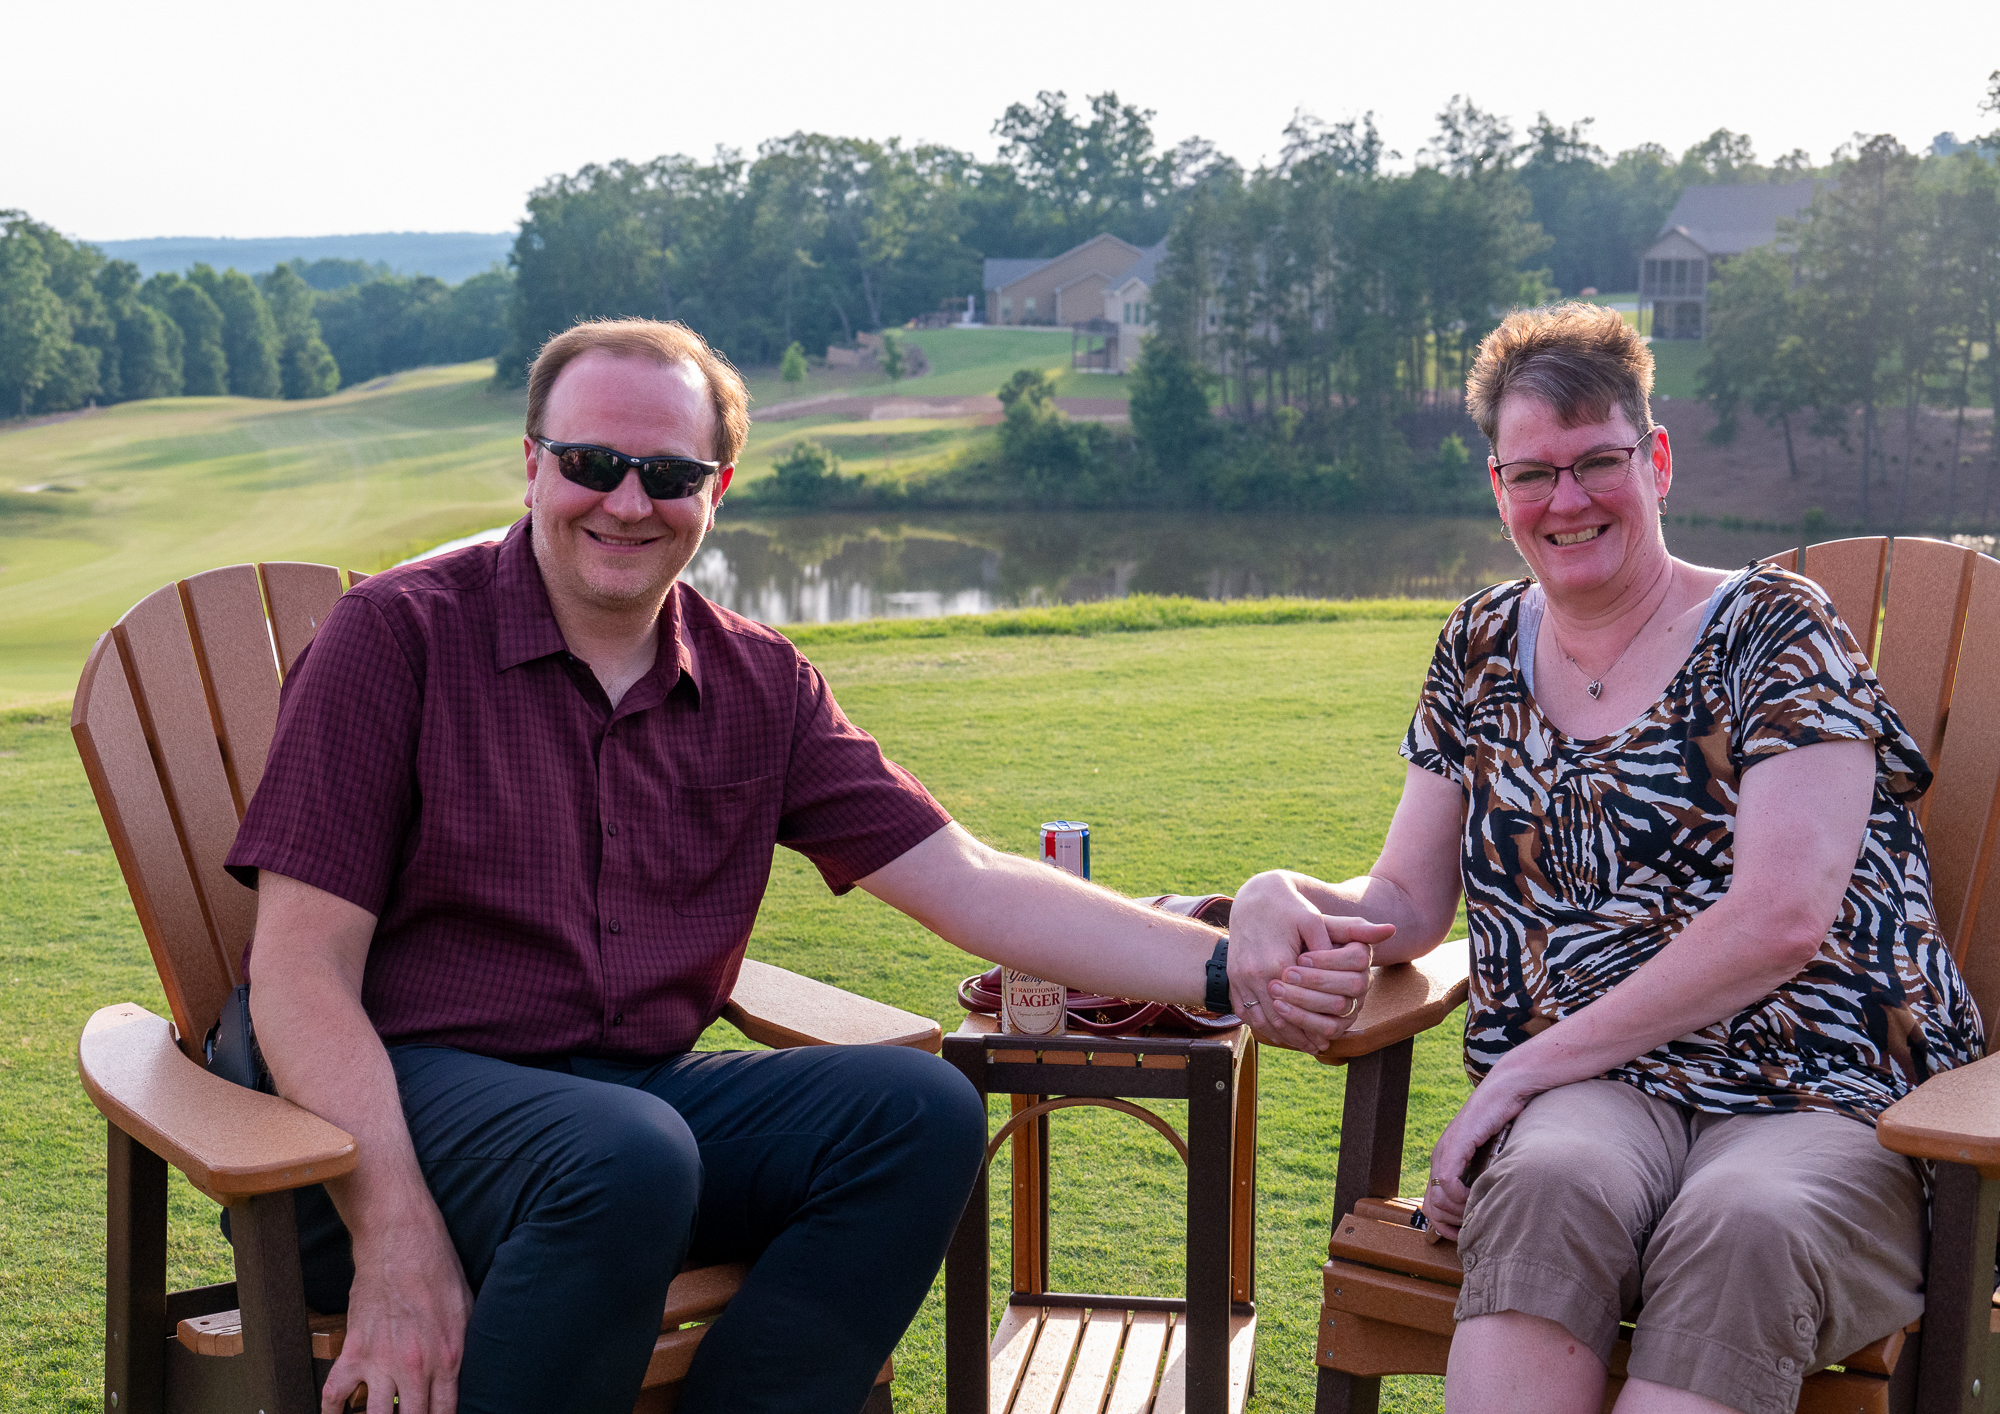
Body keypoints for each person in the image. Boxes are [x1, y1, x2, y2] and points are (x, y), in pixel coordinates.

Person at [224, 318, 1356, 1414]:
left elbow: (964, 877)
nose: (628, 502)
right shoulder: (397, 639)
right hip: (385, 1123)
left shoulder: (757, 686)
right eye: (590, 463)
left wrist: (1226, 965)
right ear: (532, 465)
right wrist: (395, 1237)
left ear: (717, 490)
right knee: (626, 1155)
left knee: (919, 1112)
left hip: (628, 1119)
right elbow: (298, 972)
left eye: (669, 474)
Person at [1224, 303, 1984, 1414]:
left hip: (1819, 1085)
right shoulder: (1478, 646)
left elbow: (1779, 917)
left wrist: (1521, 1071)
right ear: (1498, 488)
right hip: (1598, 1089)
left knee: (1746, 1224)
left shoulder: (1775, 627)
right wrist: (1268, 894)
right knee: (1546, 1181)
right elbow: (1404, 902)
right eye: (1533, 474)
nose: (1566, 500)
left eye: (1596, 463)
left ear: (1655, 460)